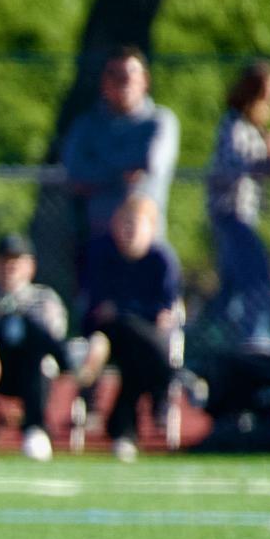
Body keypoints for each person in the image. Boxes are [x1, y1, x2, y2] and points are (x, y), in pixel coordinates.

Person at [205, 60, 270, 350]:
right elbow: (233, 165)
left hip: (245, 216)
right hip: (230, 216)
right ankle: (256, 340)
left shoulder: (253, 129)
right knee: (258, 282)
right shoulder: (233, 125)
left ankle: (215, 341)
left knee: (232, 290)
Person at [77, 194, 182, 462]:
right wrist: (129, 313)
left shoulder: (161, 260)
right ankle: (165, 386)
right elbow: (101, 311)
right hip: (110, 334)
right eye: (124, 224)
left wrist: (127, 311)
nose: (128, 231)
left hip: (143, 341)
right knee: (131, 337)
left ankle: (122, 431)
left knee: (136, 358)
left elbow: (164, 312)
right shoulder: (103, 253)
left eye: (135, 225)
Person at [61, 47, 178, 251]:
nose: (122, 82)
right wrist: (120, 172)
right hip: (97, 239)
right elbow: (75, 173)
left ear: (145, 80)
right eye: (114, 75)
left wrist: (98, 165)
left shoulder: (159, 121)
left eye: (129, 75)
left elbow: (151, 163)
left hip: (146, 242)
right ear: (103, 82)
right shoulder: (87, 125)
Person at [0, 233, 73, 461]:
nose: (9, 267)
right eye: (4, 260)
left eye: (16, 260)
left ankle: (35, 429)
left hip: (33, 372)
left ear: (30, 265)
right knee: (12, 324)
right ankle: (73, 363)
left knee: (31, 330)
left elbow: (52, 333)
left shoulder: (44, 298)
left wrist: (19, 317)